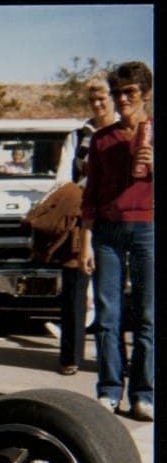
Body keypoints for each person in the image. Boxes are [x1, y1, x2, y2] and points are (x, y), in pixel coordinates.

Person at [80, 61, 153, 421]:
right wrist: (85, 242)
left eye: (131, 92)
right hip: (107, 231)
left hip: (148, 230)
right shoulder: (101, 139)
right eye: (118, 92)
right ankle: (109, 390)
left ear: (146, 94)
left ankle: (143, 394)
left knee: (146, 315)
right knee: (108, 316)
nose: (123, 99)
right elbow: (90, 193)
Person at [53, 74, 118, 376]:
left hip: (117, 217)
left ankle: (116, 361)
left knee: (112, 290)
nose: (97, 103)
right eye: (92, 98)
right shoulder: (78, 136)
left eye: (102, 96)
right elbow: (63, 179)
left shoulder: (127, 131)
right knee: (73, 289)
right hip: (81, 217)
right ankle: (70, 356)